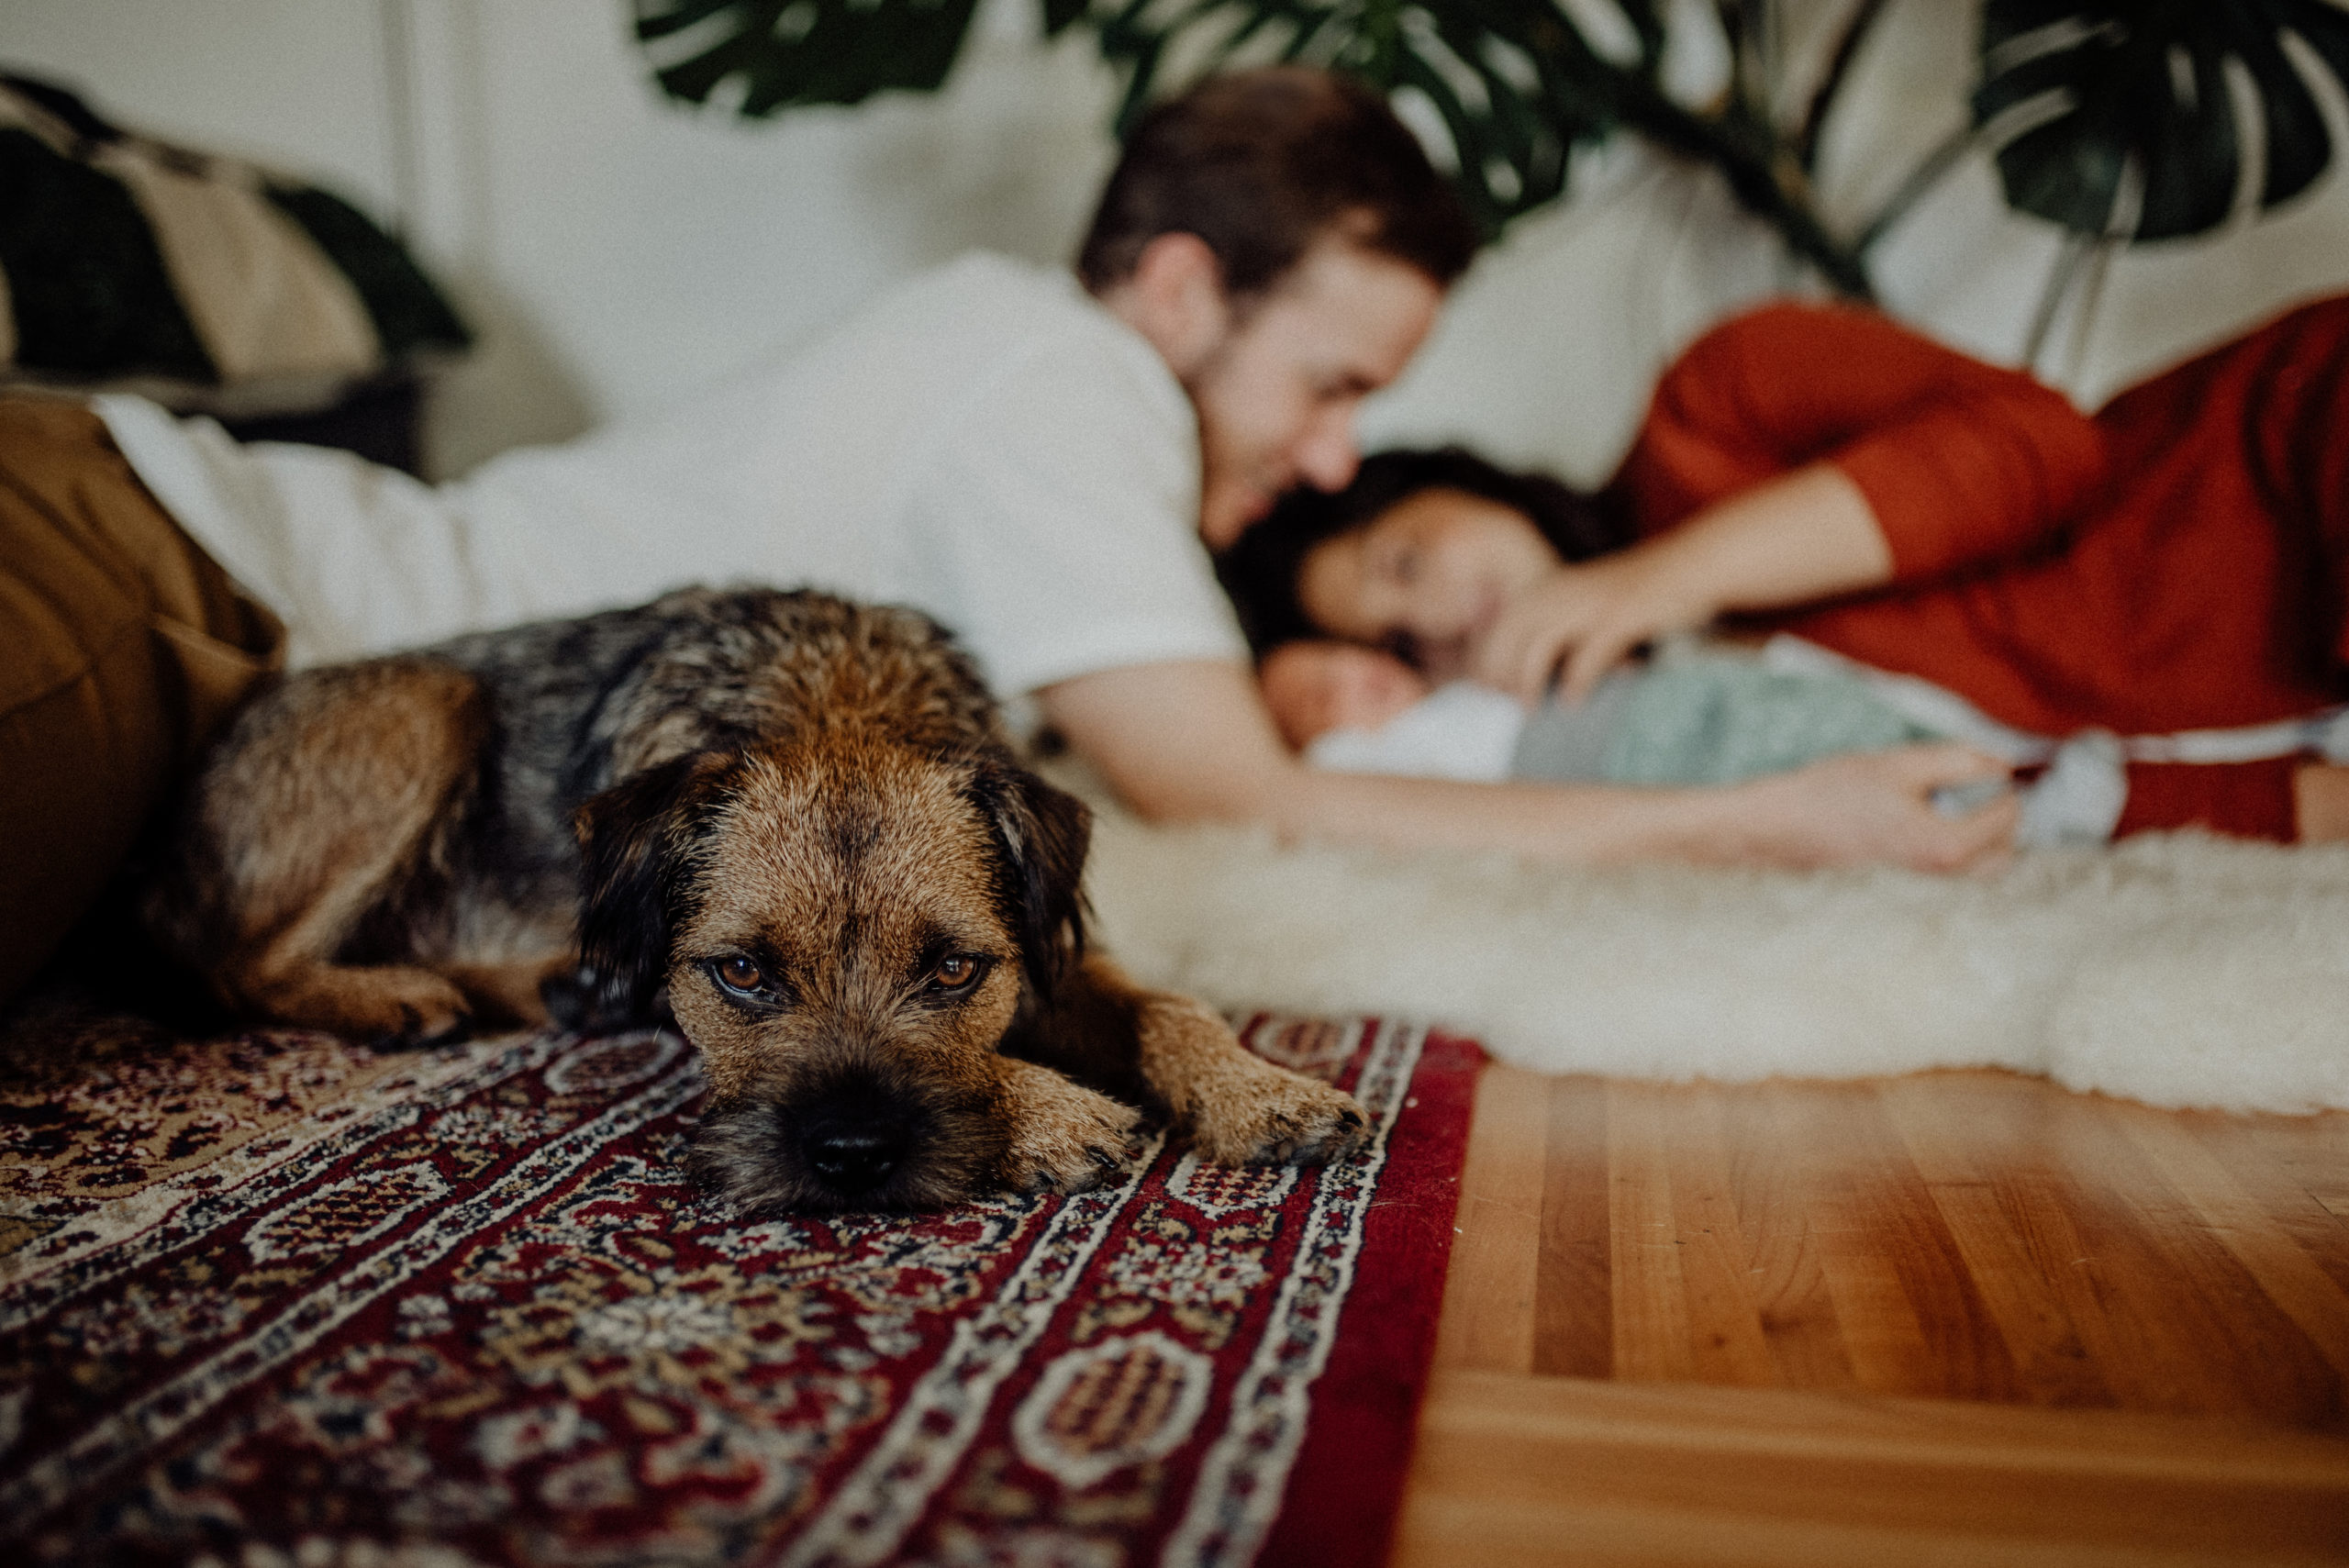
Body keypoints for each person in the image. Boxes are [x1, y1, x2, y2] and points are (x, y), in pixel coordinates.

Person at [0, 67, 2017, 1004]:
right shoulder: (1061, 380)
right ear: (1172, 292)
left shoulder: (1037, 377)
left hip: (236, 627)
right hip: (193, 577)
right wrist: (1780, 823)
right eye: (1328, 382)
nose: (1336, 459)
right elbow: (1248, 803)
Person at [1219, 298, 2349, 846]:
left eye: (1404, 558)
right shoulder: (1651, 748)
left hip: (2283, 451)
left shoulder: (1707, 413)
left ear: (1461, 481)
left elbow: (2043, 444)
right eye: (1405, 643)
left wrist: (1665, 573)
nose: (1445, 613)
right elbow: (2074, 793)